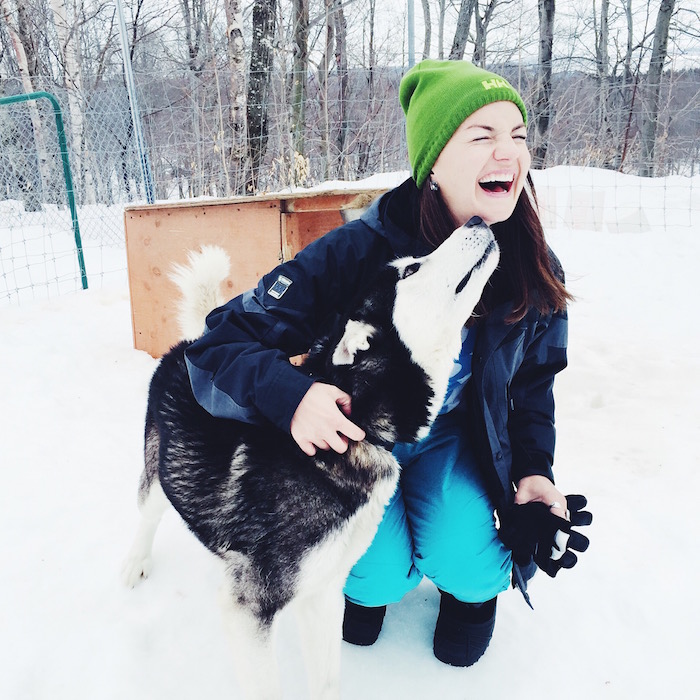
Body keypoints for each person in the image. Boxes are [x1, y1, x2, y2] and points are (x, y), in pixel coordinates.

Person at [184, 59, 588, 668]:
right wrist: (291, 396)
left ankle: (470, 595)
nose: (508, 153)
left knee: (469, 561)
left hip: (454, 435)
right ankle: (372, 585)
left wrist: (533, 471)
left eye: (518, 136)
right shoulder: (357, 250)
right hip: (360, 438)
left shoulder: (529, 260)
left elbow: (533, 383)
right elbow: (219, 345)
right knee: (372, 579)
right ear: (434, 162)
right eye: (481, 136)